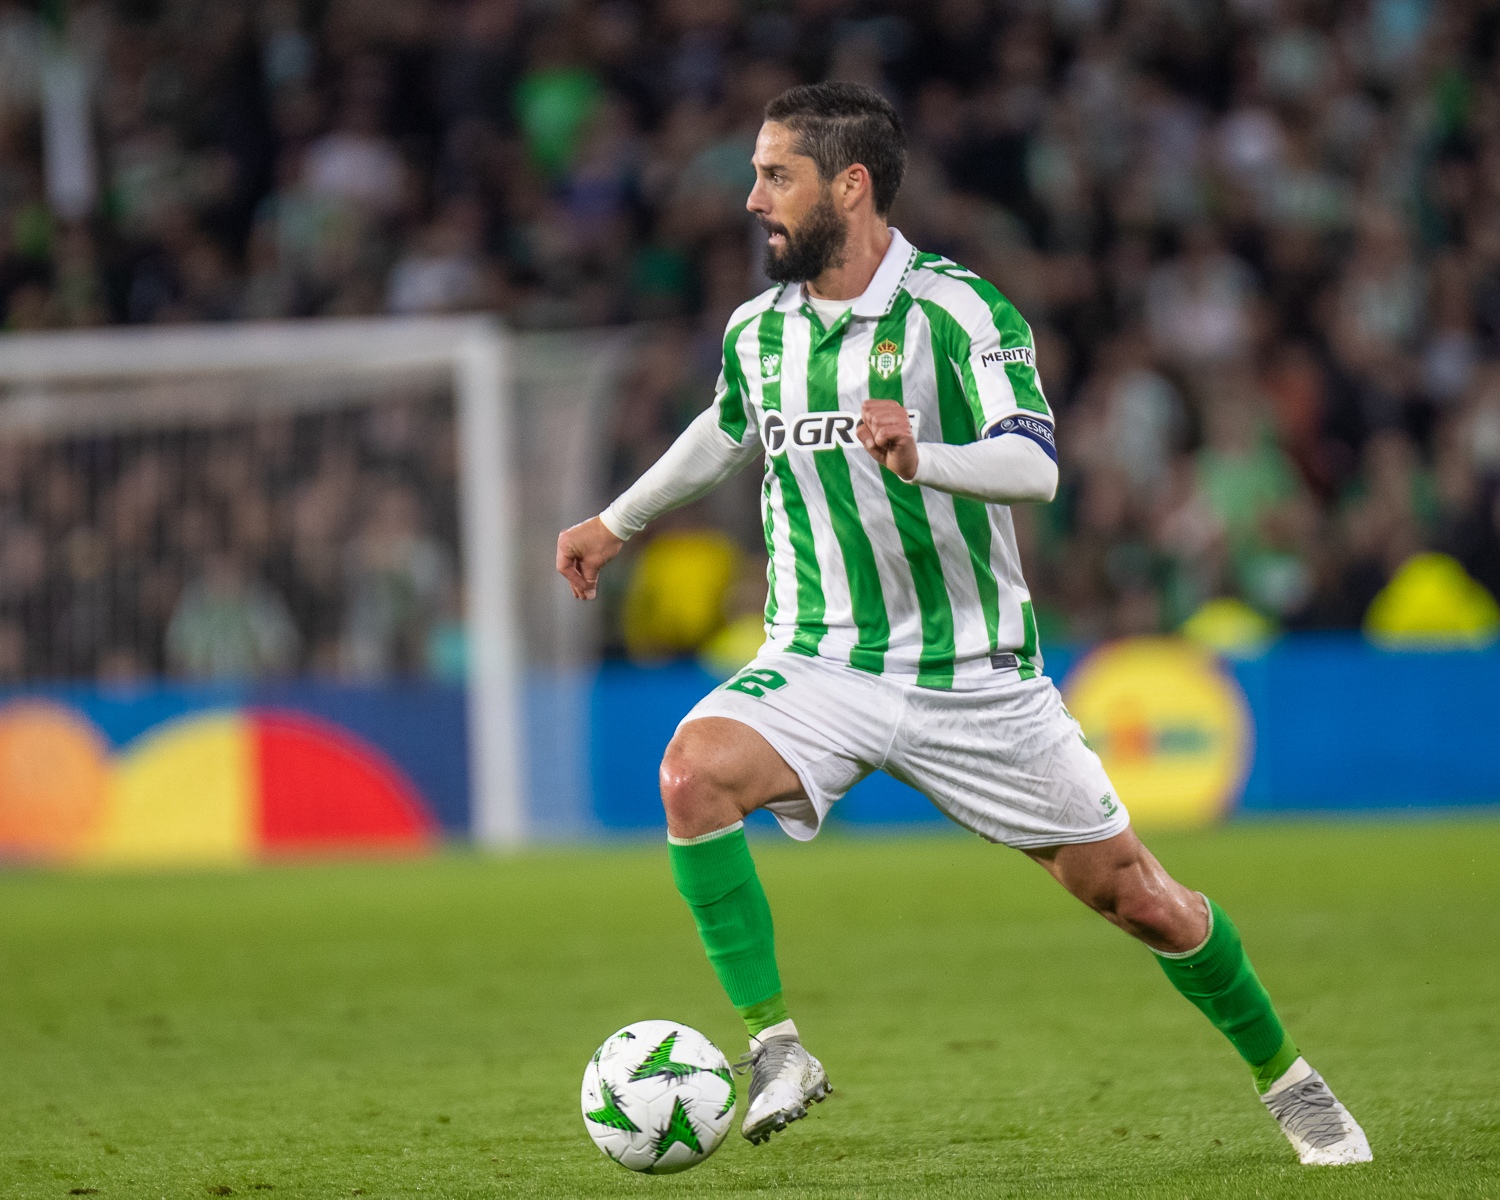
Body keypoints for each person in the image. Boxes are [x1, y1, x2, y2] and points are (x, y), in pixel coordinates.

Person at [555, 82, 1371, 1165]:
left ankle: (1293, 1087)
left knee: (1141, 900)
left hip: (972, 675)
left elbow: (1034, 465)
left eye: (775, 176)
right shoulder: (757, 330)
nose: (752, 199)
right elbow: (725, 428)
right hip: (819, 659)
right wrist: (615, 521)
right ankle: (775, 1047)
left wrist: (920, 456)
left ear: (849, 185)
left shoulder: (959, 311)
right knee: (690, 774)